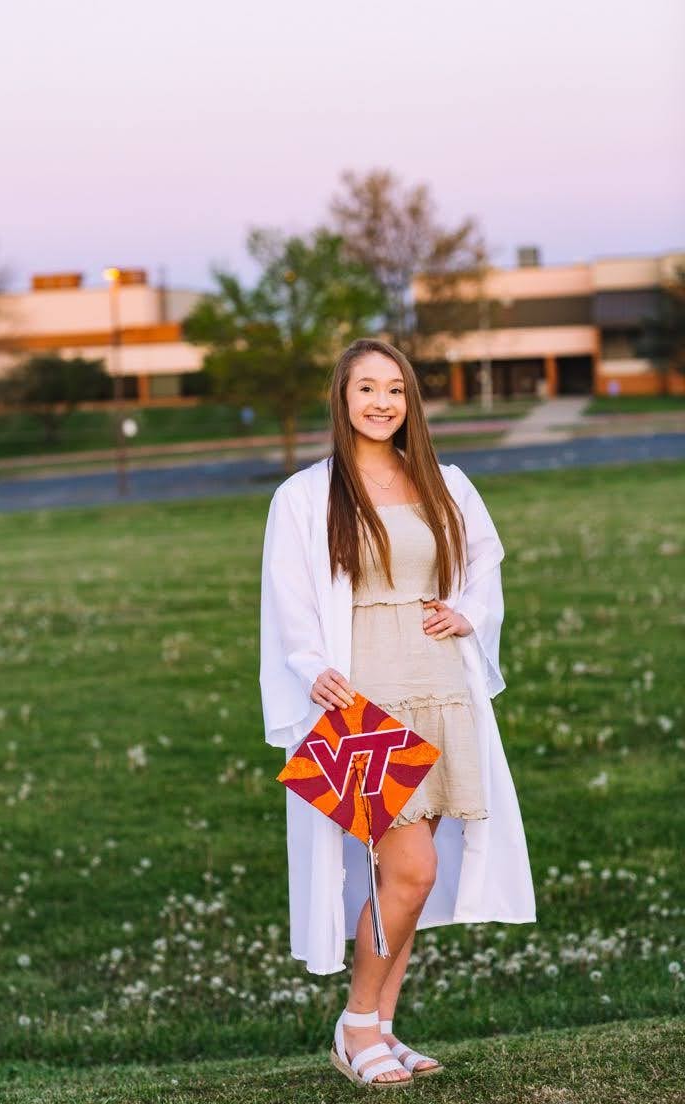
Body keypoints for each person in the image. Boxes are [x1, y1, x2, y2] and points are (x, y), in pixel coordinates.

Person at [259, 337, 536, 1087]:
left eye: (395, 390)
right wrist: (312, 669)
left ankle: (381, 1028)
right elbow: (288, 601)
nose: (381, 402)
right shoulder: (306, 495)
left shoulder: (445, 482)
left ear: (410, 401)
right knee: (408, 868)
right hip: (359, 701)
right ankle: (354, 1027)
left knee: (403, 879)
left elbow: (485, 563)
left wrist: (469, 613)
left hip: (443, 688)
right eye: (366, 389)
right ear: (341, 400)